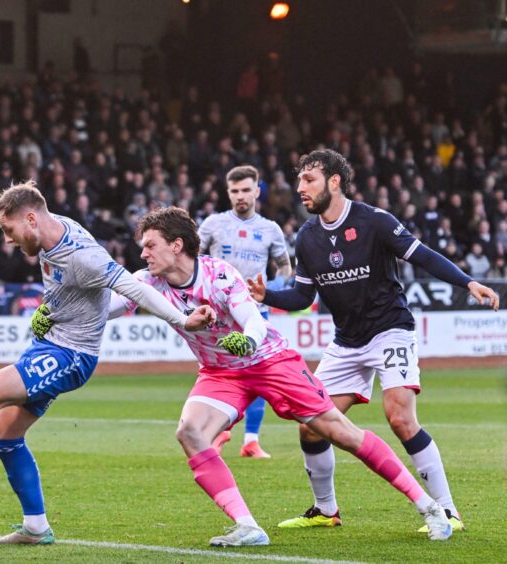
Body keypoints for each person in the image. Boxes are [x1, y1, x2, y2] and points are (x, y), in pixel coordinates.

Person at [110, 206, 453, 545]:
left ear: (176, 245)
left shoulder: (219, 275)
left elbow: (255, 320)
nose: (143, 253)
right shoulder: (145, 281)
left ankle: (430, 507)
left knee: (339, 432)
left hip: (270, 361)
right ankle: (247, 526)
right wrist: (66, 317)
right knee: (190, 432)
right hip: (221, 372)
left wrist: (247, 341)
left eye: (150, 245)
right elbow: (110, 307)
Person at [0, 181, 213, 544]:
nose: (7, 240)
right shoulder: (46, 225)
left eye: (9, 232)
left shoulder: (83, 256)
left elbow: (134, 288)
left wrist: (182, 318)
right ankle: (36, 527)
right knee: (5, 434)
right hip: (47, 346)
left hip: (71, 354)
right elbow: (10, 210)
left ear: (33, 221)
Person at [248, 149, 500, 532]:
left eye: (308, 180)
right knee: (311, 426)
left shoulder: (375, 221)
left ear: (334, 181)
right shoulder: (308, 237)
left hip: (390, 329)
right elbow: (302, 298)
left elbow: (424, 256)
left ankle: (448, 511)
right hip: (346, 341)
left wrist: (467, 282)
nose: (299, 188)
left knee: (400, 417)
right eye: (299, 180)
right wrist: (266, 296)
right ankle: (326, 510)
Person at [197, 165, 291, 459]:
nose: (240, 196)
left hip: (256, 313)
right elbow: (193, 259)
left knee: (258, 374)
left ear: (257, 191)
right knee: (218, 373)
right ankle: (220, 430)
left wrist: (275, 286)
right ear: (228, 193)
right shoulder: (213, 224)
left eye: (246, 190)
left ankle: (250, 440)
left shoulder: (270, 230)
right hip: (217, 316)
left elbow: (285, 265)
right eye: (235, 191)